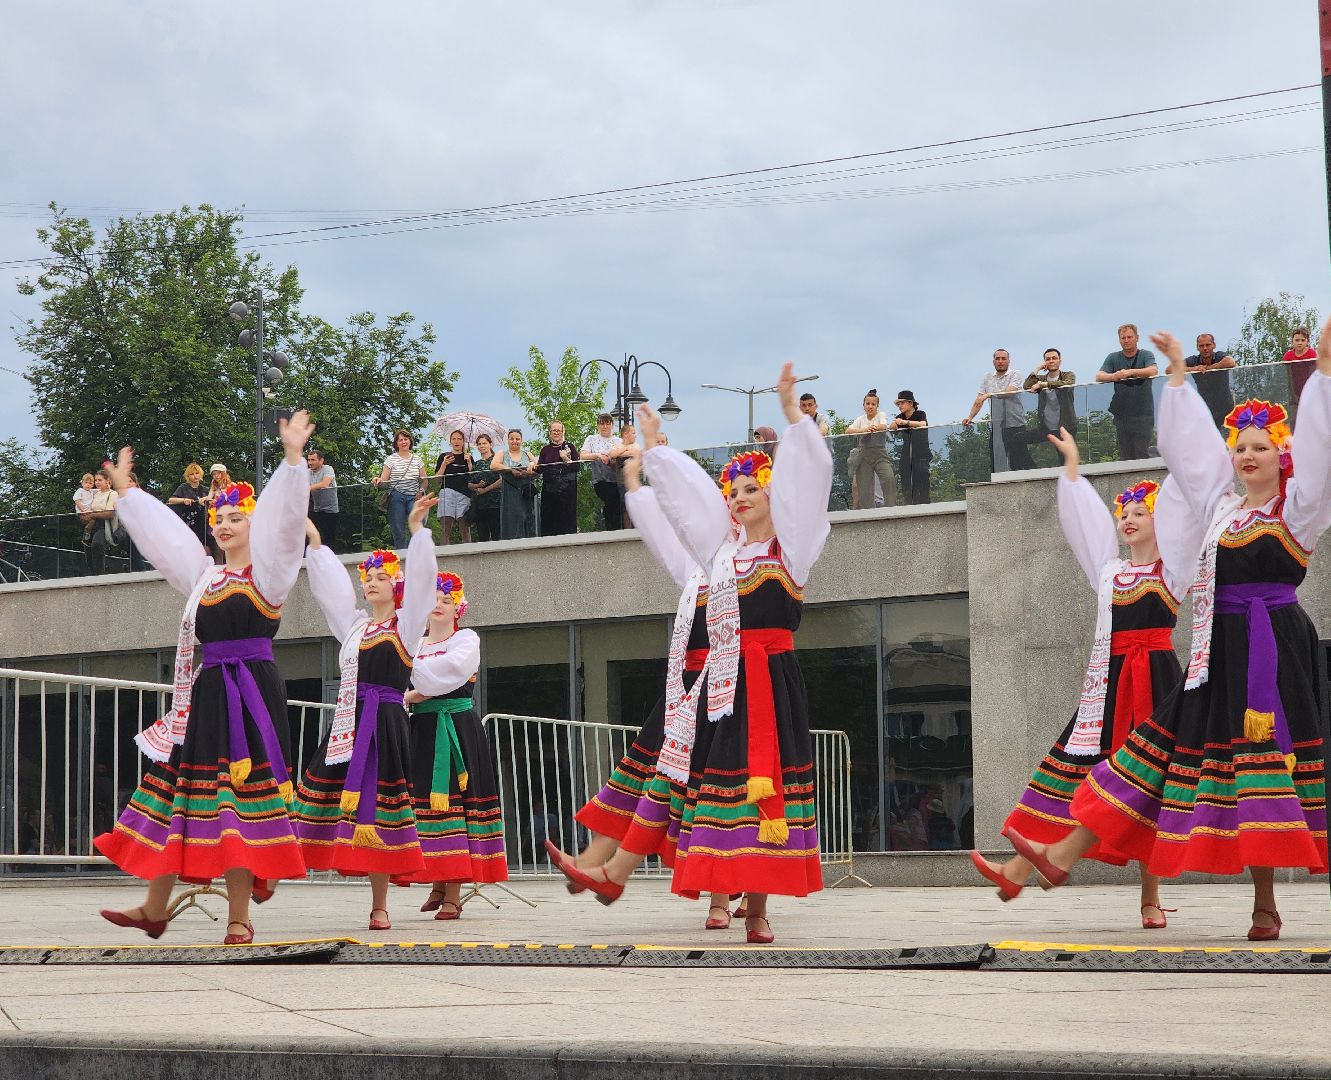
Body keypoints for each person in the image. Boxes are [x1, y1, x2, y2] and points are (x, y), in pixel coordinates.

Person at [1004, 324, 1331, 941]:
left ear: (1282, 456)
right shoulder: (1222, 510)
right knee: (1145, 760)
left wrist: (1323, 381)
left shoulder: (1298, 509)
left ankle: (1265, 904)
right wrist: (1178, 381)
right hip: (1216, 652)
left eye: (1260, 446)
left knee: (1257, 767)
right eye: (1241, 447)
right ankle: (1059, 856)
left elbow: (1322, 451)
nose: (1247, 455)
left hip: (1269, 651)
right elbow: (1195, 462)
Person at [555, 364, 833, 946]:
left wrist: (791, 416)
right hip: (718, 681)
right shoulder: (721, 561)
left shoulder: (792, 550)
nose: (739, 500)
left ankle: (756, 911)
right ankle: (614, 873)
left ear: (774, 493)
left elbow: (810, 488)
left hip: (768, 681)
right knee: (678, 776)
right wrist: (657, 453)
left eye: (751, 489)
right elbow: (688, 512)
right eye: (734, 493)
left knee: (765, 791)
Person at [93, 411, 315, 945]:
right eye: (218, 517)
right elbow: (166, 540)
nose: (223, 524)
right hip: (207, 695)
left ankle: (239, 917)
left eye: (235, 517)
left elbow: (286, 531)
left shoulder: (269, 574)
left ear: (253, 524)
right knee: (184, 798)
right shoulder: (204, 576)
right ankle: (153, 906)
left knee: (236, 801)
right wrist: (129, 495)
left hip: (251, 699)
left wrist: (290, 462)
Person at [970, 428, 1194, 928]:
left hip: (1157, 682)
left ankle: (1150, 898)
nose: (1129, 519)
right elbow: (1085, 529)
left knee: (1144, 786)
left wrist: (1182, 456)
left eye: (1140, 512)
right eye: (1125, 514)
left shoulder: (1172, 570)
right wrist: (1072, 469)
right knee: (1073, 773)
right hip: (1110, 685)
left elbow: (1187, 509)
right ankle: (1018, 868)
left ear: (1162, 522)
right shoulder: (1110, 573)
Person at [550, 443, 735, 931]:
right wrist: (635, 486)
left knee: (711, 789)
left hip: (729, 688)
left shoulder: (743, 561)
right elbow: (663, 539)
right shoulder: (697, 571)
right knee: (645, 780)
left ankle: (720, 899)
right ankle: (592, 864)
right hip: (684, 691)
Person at [291, 493, 437, 931]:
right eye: (367, 577)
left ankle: (380, 905)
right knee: (314, 798)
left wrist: (417, 533)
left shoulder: (407, 627)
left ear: (397, 585)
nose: (371, 582)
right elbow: (331, 594)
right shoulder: (353, 626)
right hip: (348, 723)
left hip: (385, 723)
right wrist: (315, 543)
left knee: (376, 808)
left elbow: (425, 586)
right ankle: (272, 868)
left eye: (380, 577)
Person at [395, 571, 507, 919]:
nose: (440, 605)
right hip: (423, 729)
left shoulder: (466, 640)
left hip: (455, 728)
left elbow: (449, 673)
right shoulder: (415, 643)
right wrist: (416, 693)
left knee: (453, 805)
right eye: (435, 600)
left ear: (459, 608)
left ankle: (453, 895)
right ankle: (437, 882)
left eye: (447, 600)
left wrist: (413, 692)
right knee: (426, 804)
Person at [963, 349, 1033, 472]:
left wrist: (989, 394)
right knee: (996, 459)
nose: (1000, 361)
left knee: (1020, 458)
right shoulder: (987, 377)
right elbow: (979, 399)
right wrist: (970, 417)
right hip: (998, 426)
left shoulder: (1015, 374)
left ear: (1009, 361)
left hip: (1015, 424)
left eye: (1003, 358)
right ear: (993, 361)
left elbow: (1009, 392)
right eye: (998, 359)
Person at [1096, 324, 1159, 460]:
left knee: (1141, 454)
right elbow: (1099, 376)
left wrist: (1130, 372)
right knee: (1126, 456)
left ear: (1137, 338)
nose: (1126, 340)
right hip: (1122, 414)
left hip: (1143, 413)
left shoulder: (1146, 354)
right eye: (1123, 338)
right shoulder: (1113, 357)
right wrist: (1114, 376)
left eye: (1129, 337)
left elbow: (1153, 371)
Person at [372, 430, 425, 549]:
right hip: (396, 496)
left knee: (417, 526)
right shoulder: (391, 459)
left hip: (414, 496)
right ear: (396, 443)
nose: (403, 442)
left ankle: (415, 552)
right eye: (400, 440)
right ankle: (401, 556)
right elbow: (384, 481)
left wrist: (421, 491)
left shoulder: (417, 459)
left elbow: (424, 480)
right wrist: (378, 480)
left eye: (405, 439)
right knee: (398, 530)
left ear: (410, 441)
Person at [845, 389, 897, 509]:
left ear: (877, 406)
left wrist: (874, 428)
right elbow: (848, 431)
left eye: (873, 404)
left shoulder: (881, 415)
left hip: (880, 454)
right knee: (864, 486)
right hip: (864, 455)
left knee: (888, 477)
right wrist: (864, 430)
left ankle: (891, 508)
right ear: (863, 405)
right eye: (868, 404)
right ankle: (868, 512)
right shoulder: (860, 419)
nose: (870, 406)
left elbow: (884, 426)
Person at [1020, 349, 1078, 447]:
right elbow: (1026, 385)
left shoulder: (1068, 375)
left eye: (1054, 358)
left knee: (1064, 458)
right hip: (1045, 428)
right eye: (1048, 359)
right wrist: (1038, 368)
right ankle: (1029, 463)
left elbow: (1068, 384)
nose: (1051, 361)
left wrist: (1043, 385)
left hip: (1065, 427)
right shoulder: (1042, 378)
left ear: (1060, 361)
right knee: (1017, 438)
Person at [536, 420, 580, 536]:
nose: (556, 433)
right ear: (550, 432)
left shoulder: (570, 447)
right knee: (549, 523)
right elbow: (540, 468)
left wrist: (565, 458)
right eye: (554, 430)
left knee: (567, 522)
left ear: (563, 432)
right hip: (550, 491)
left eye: (559, 430)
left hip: (567, 492)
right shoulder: (545, 450)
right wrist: (532, 465)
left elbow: (576, 466)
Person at [1184, 333, 1236, 430]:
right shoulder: (1193, 360)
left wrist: (1209, 368)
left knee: (1232, 440)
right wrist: (1193, 369)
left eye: (1208, 345)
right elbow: (1170, 369)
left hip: (1226, 408)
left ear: (1214, 345)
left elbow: (1231, 362)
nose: (1205, 348)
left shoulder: (1219, 355)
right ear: (1197, 347)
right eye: (1201, 346)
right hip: (1206, 410)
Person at [581, 413, 624, 531]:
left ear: (612, 425)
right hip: (600, 479)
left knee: (617, 506)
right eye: (602, 424)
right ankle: (611, 530)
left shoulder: (618, 441)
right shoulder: (591, 439)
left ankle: (616, 531)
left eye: (607, 423)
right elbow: (582, 456)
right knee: (611, 501)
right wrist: (597, 456)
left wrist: (612, 459)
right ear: (598, 426)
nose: (605, 426)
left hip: (617, 479)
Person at [494, 429, 538, 540]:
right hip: (509, 492)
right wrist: (510, 470)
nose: (515, 441)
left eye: (517, 439)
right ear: (507, 440)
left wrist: (528, 472)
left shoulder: (528, 454)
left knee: (526, 517)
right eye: (512, 439)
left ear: (521, 440)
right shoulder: (502, 454)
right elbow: (494, 465)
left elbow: (537, 471)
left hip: (525, 491)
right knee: (511, 518)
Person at [888, 391, 931, 505]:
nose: (900, 406)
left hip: (921, 455)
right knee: (906, 484)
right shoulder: (899, 417)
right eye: (898, 404)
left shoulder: (920, 413)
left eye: (902, 403)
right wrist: (893, 426)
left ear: (911, 403)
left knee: (922, 483)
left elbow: (923, 424)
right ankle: (909, 505)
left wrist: (905, 422)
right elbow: (893, 430)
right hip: (907, 455)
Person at [433, 430, 473, 546]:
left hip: (465, 494)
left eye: (459, 439)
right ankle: (444, 557)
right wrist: (444, 464)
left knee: (465, 527)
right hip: (447, 493)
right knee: (446, 528)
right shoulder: (444, 456)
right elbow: (436, 480)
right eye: (454, 439)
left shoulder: (468, 457)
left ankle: (469, 553)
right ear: (450, 441)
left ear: (463, 442)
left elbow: (472, 479)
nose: (456, 441)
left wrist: (470, 463)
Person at [467, 434, 503, 542]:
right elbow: (468, 483)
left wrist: (485, 490)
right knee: (483, 537)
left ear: (490, 444)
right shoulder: (476, 464)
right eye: (479, 444)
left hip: (495, 503)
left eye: (484, 443)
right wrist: (477, 486)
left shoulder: (497, 460)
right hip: (480, 505)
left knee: (497, 535)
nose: (482, 446)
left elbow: (501, 480)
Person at [86, 468, 121, 574]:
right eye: (96, 480)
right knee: (88, 551)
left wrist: (92, 515)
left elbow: (109, 513)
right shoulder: (96, 494)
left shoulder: (112, 494)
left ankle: (100, 573)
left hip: (103, 525)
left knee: (97, 545)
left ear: (107, 481)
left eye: (100, 480)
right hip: (92, 525)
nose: (97, 483)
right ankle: (93, 573)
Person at [167, 464, 210, 548]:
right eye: (192, 474)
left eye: (197, 473)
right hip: (188, 522)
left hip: (203, 523)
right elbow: (171, 500)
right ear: (188, 476)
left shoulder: (205, 489)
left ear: (200, 474)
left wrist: (206, 499)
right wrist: (183, 500)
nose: (195, 476)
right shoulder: (183, 487)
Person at [307, 449, 340, 553]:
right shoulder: (307, 472)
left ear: (321, 461)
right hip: (317, 509)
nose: (310, 463)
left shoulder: (328, 469)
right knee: (315, 537)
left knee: (329, 539)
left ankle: (331, 561)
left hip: (330, 510)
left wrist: (307, 488)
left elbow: (325, 484)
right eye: (309, 460)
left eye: (313, 460)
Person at [1283, 326, 1317, 419]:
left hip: (1311, 394)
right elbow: (1288, 378)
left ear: (1307, 341)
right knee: (1295, 420)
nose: (1300, 343)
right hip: (1294, 396)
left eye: (1303, 340)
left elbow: (1314, 375)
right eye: (1297, 340)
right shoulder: (1288, 356)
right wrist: (1293, 396)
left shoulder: (1312, 354)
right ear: (1292, 341)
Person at [203, 464, 232, 563]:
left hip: (226, 516)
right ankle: (219, 566)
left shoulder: (230, 485)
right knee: (217, 543)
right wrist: (206, 500)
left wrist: (217, 500)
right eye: (214, 474)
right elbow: (209, 497)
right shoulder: (214, 486)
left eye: (218, 473)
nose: (216, 476)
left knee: (228, 541)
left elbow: (231, 500)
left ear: (223, 474)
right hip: (216, 517)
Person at [73, 473, 95, 549]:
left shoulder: (91, 491)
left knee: (95, 521)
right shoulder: (80, 491)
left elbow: (100, 490)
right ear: (82, 483)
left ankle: (89, 538)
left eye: (90, 483)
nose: (88, 485)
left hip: (89, 513)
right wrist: (83, 510)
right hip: (82, 513)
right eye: (86, 482)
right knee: (94, 520)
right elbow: (77, 500)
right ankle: (86, 536)